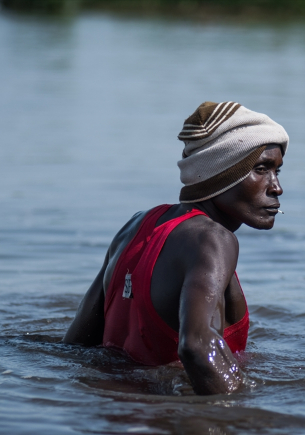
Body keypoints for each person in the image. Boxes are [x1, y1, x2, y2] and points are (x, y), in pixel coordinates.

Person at [64, 101, 288, 395]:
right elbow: (196, 345)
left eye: (277, 171)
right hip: (167, 426)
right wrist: (239, 417)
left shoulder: (137, 226)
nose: (276, 187)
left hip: (115, 428)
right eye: (260, 169)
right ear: (222, 171)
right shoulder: (214, 239)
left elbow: (77, 343)